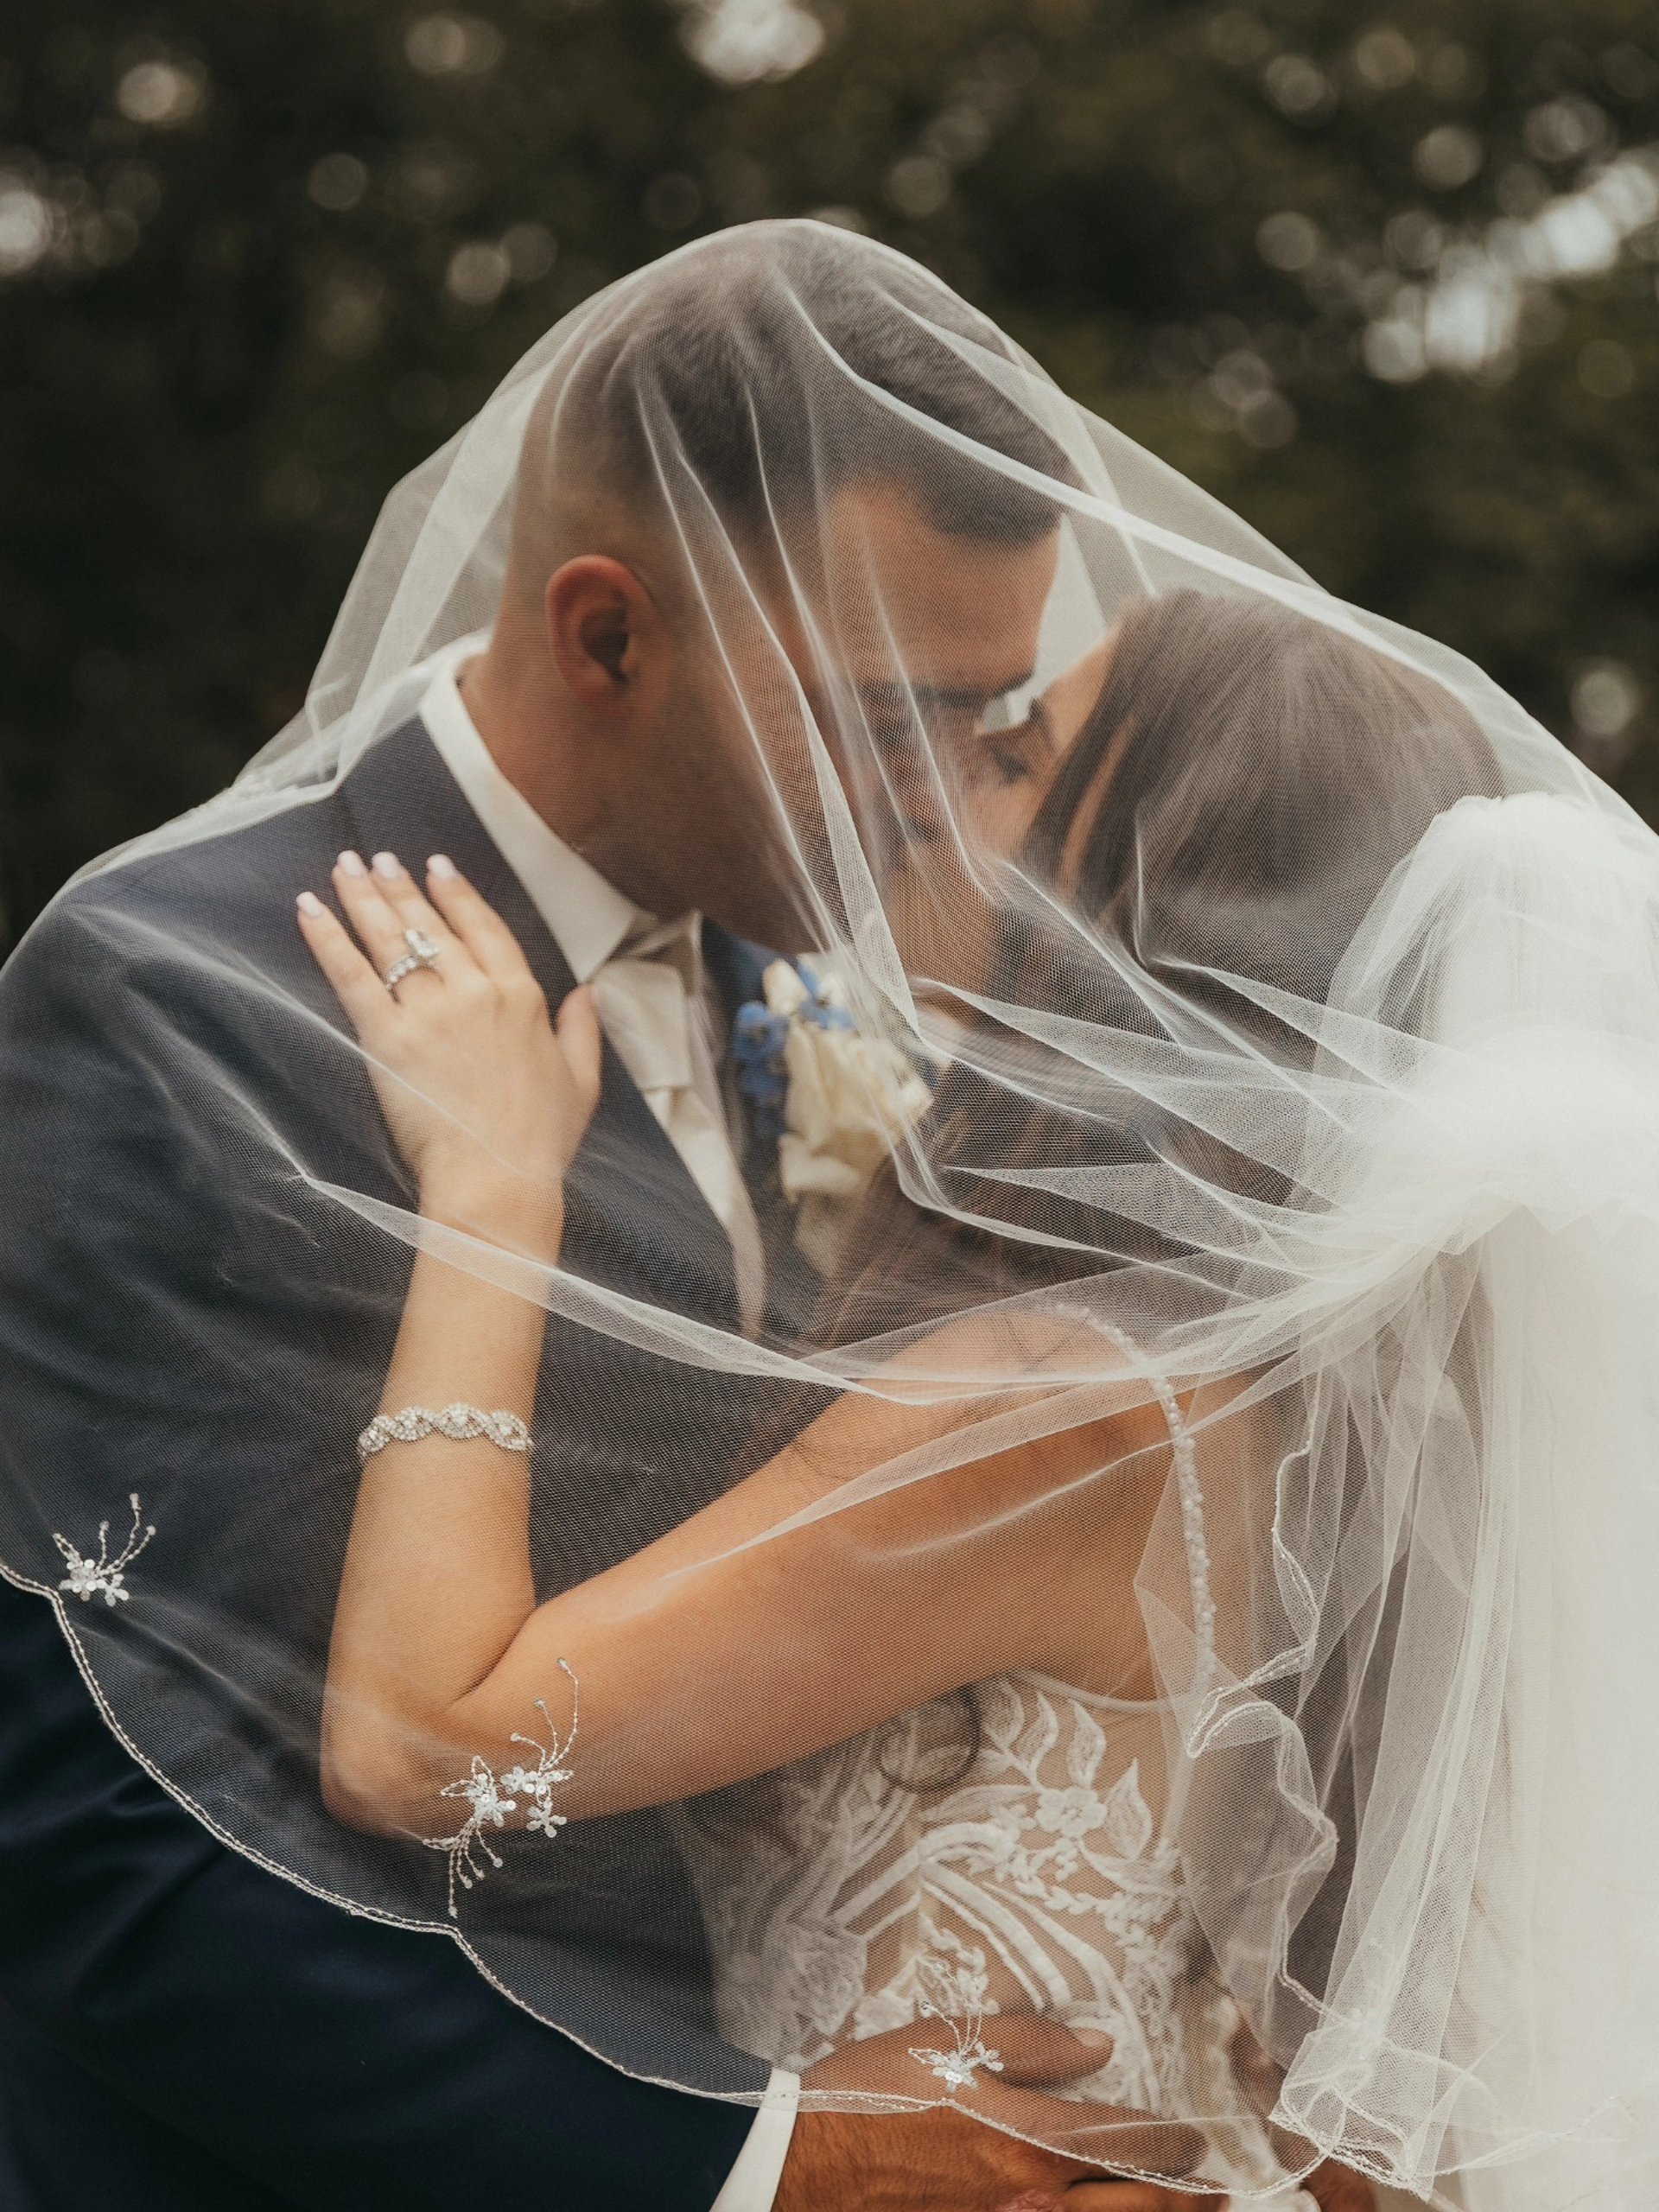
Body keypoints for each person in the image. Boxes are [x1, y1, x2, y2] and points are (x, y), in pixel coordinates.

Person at [3, 220, 1656, 2212]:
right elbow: (88, 1810)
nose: (939, 794)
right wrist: (752, 2156)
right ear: (611, 637)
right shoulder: (174, 998)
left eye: (1002, 728)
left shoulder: (960, 1180)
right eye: (897, 717)